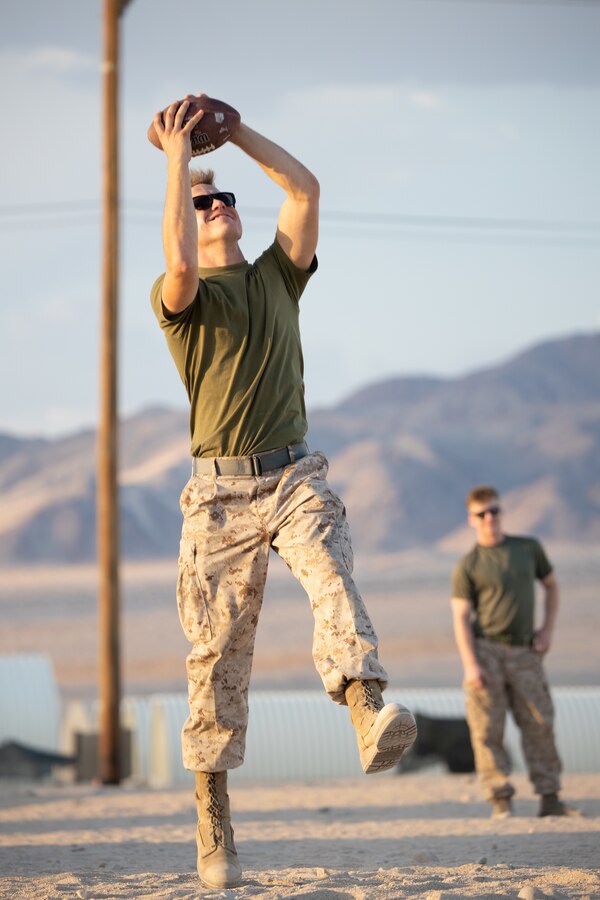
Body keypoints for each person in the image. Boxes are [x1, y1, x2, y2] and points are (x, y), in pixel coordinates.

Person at [149, 94, 417, 890]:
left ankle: (368, 708)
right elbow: (178, 258)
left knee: (332, 568)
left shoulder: (277, 278)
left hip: (295, 475)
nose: (219, 206)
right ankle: (214, 818)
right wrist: (176, 160)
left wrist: (235, 136)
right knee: (217, 661)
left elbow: (303, 192)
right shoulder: (185, 303)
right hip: (220, 499)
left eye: (225, 196)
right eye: (205, 203)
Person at [450, 484, 574, 819]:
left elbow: (551, 587)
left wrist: (546, 630)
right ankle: (500, 799)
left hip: (524, 651)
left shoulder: (528, 549)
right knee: (487, 728)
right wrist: (471, 664)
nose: (489, 518)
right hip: (486, 650)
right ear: (471, 519)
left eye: (495, 511)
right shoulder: (469, 565)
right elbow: (460, 617)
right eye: (482, 514)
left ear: (502, 512)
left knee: (539, 722)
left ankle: (550, 797)